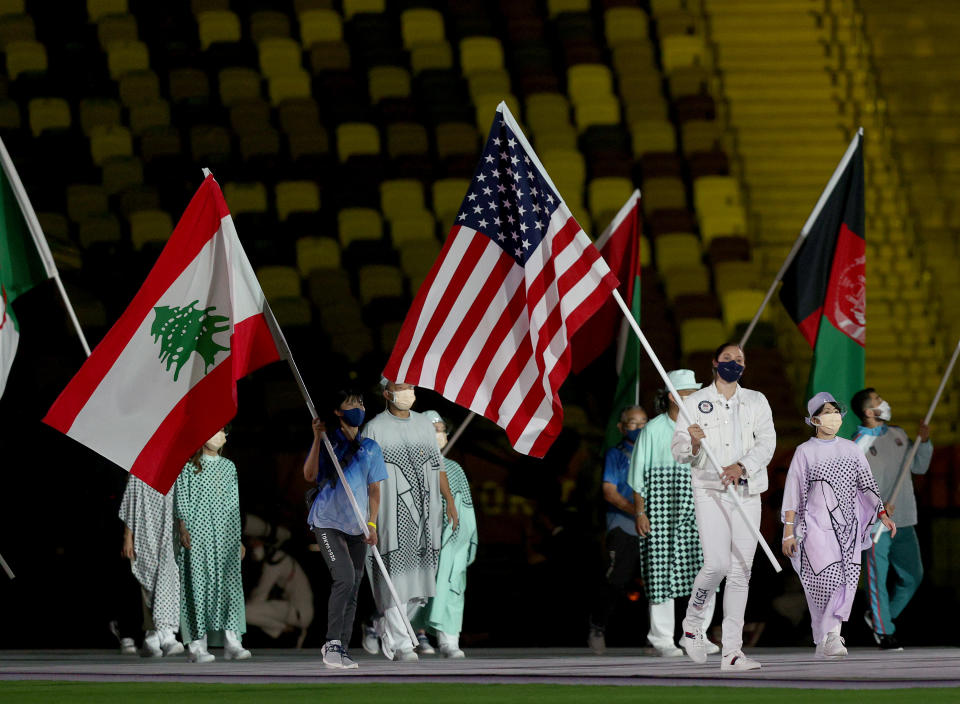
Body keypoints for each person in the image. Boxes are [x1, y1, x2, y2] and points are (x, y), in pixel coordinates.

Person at [671, 343, 775, 671]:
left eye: (740, 359)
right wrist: (695, 443)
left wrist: (742, 465)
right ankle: (693, 627)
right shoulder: (694, 402)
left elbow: (767, 442)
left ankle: (732, 652)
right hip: (709, 490)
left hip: (746, 492)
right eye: (728, 358)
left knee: (741, 571)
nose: (734, 363)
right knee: (716, 565)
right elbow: (679, 451)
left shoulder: (756, 400)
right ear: (715, 363)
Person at [781, 392, 896, 658]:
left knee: (845, 582)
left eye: (835, 411)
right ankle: (830, 636)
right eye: (827, 412)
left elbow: (867, 484)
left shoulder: (851, 449)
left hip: (848, 528)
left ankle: (828, 637)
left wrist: (881, 514)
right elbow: (793, 492)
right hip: (814, 528)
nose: (833, 416)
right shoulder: (805, 452)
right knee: (825, 582)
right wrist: (789, 532)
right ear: (814, 420)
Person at [361, 378, 458, 662]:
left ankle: (382, 626)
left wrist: (448, 501)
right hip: (392, 516)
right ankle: (402, 644)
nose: (407, 393)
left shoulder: (421, 426)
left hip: (427, 518)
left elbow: (437, 465)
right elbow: (367, 476)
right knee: (396, 582)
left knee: (418, 591)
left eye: (410, 388)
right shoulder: (375, 428)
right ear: (387, 393)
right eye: (401, 388)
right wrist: (372, 518)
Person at [630, 371, 718, 658]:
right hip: (661, 510)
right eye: (689, 394)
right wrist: (641, 512)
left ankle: (697, 634)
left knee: (706, 573)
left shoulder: (705, 427)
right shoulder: (653, 430)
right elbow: (638, 475)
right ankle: (662, 639)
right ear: (672, 396)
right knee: (660, 574)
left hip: (699, 510)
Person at [303, 390, 387, 669]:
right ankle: (331, 643)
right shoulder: (329, 440)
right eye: (351, 405)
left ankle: (343, 647)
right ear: (338, 412)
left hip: (358, 526)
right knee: (345, 577)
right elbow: (310, 475)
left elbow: (374, 489)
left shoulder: (371, 447)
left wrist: (372, 522)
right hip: (328, 521)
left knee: (354, 586)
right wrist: (317, 438)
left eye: (361, 404)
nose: (358, 408)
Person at [851, 387, 932, 650]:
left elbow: (918, 466)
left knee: (913, 576)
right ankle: (885, 632)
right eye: (878, 401)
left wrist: (924, 442)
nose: (884, 403)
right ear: (868, 411)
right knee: (877, 578)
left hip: (905, 518)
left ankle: (879, 618)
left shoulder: (897, 434)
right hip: (876, 525)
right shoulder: (858, 444)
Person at [175, 428, 251, 663]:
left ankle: (232, 641)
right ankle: (197, 644)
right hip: (198, 536)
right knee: (198, 585)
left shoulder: (229, 467)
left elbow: (233, 504)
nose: (222, 436)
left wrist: (237, 538)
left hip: (225, 536)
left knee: (228, 586)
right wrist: (183, 527)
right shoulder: (188, 467)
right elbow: (182, 499)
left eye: (224, 432)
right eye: (216, 431)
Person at [412, 411, 479, 659]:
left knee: (452, 587)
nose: (439, 434)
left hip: (452, 545)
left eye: (441, 430)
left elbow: (466, 509)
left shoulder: (455, 469)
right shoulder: (410, 467)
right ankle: (415, 636)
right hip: (421, 546)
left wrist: (465, 541)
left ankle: (449, 640)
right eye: (434, 429)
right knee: (418, 591)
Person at [587, 405, 648, 654]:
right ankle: (597, 627)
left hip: (652, 529)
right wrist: (639, 512)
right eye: (633, 423)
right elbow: (609, 492)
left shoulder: (657, 452)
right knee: (616, 579)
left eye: (644, 422)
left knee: (658, 584)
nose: (639, 427)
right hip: (623, 526)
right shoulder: (616, 454)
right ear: (621, 427)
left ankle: (657, 637)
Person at [119, 474, 184, 657]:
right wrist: (128, 538)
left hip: (169, 535)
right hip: (145, 535)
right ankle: (152, 636)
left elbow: (181, 504)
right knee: (148, 584)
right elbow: (130, 508)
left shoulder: (174, 473)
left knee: (168, 582)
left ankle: (166, 635)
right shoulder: (137, 475)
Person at [244, 537, 314, 649]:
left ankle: (284, 629)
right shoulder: (280, 558)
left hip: (297, 612)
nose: (252, 546)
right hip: (298, 612)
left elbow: (260, 594)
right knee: (252, 612)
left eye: (254, 543)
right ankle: (286, 629)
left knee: (243, 612)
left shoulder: (275, 561)